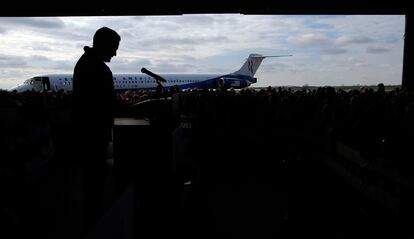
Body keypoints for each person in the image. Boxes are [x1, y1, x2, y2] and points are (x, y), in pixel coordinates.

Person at [72, 26, 121, 232]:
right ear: (103, 44)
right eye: (114, 47)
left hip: (88, 134)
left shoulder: (87, 63)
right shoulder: (96, 67)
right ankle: (94, 226)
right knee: (94, 184)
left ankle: (92, 220)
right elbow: (104, 104)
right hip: (93, 135)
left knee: (92, 184)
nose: (115, 53)